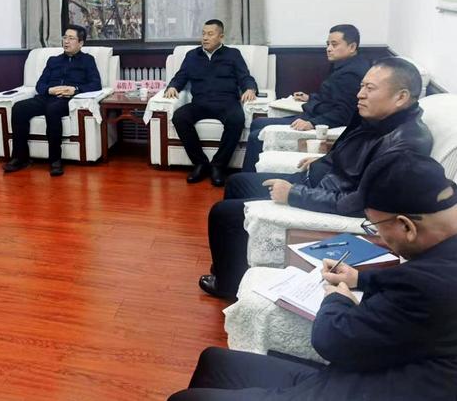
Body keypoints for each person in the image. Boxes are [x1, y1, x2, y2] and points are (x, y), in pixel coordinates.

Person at [169, 152, 457, 401]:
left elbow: (332, 340)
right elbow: (408, 284)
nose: (379, 236)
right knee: (213, 360)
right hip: (366, 373)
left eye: (375, 226)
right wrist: (359, 279)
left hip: (357, 390)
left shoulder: (428, 285)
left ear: (407, 226)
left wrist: (337, 299)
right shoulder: (440, 259)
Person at [200, 57, 432, 298]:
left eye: (369, 88)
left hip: (322, 198)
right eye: (362, 86)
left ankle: (228, 286)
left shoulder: (406, 144)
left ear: (401, 97)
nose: (360, 94)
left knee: (223, 213)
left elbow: (358, 203)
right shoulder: (376, 118)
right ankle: (230, 269)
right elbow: (347, 151)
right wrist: (322, 161)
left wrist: (293, 194)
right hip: (318, 181)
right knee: (237, 183)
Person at [242, 24, 370, 171]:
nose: (329, 49)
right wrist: (309, 98)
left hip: (320, 121)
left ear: (352, 47)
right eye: (328, 44)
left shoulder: (350, 74)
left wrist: (312, 123)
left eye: (334, 44)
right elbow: (333, 97)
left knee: (256, 136)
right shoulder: (345, 65)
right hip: (316, 114)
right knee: (258, 123)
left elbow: (344, 113)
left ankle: (249, 176)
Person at [166, 20, 258, 186]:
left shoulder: (233, 54)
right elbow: (181, 76)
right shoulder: (192, 56)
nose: (205, 38)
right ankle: (200, 163)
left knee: (237, 119)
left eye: (210, 34)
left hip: (227, 102)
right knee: (179, 117)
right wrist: (173, 86)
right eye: (203, 34)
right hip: (200, 102)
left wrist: (250, 89)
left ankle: (218, 165)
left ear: (221, 36)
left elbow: (244, 76)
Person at [3, 25, 102, 177]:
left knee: (53, 109)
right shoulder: (53, 61)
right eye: (65, 37)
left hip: (66, 100)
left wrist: (75, 89)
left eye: (71, 38)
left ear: (81, 43)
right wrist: (50, 90)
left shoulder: (87, 60)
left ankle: (55, 160)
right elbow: (40, 85)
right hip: (46, 97)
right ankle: (19, 158)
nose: (66, 41)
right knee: (19, 108)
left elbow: (96, 84)